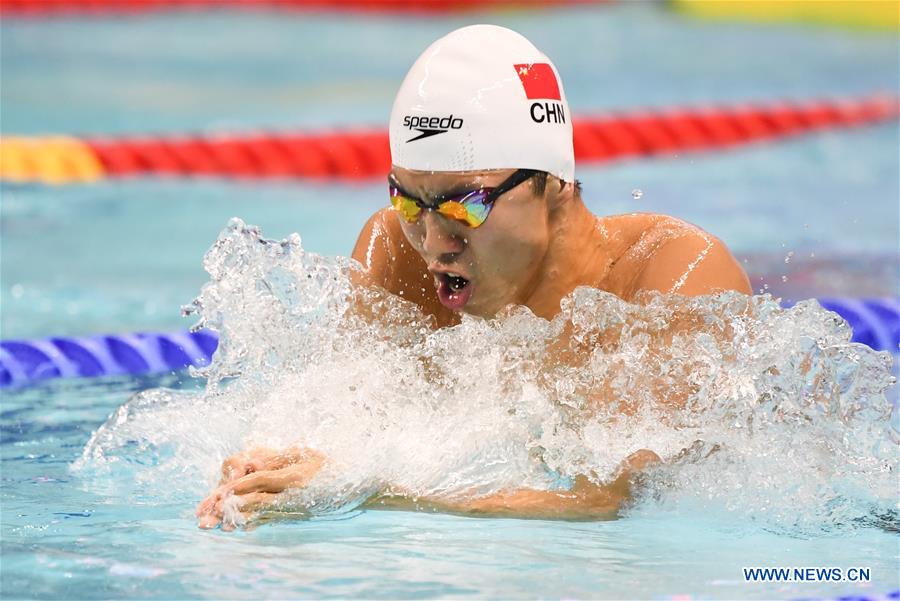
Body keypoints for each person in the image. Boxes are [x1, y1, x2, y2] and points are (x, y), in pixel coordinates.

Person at [197, 24, 751, 530]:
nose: (435, 244)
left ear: (553, 184)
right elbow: (350, 420)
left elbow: (609, 501)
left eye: (465, 205)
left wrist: (369, 493)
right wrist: (278, 464)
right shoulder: (395, 250)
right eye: (410, 202)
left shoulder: (668, 278)